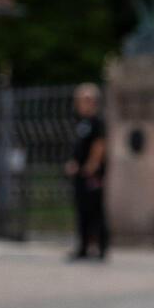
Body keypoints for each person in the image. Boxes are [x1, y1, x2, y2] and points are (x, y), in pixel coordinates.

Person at [64, 82, 109, 260]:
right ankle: (83, 246)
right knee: (82, 211)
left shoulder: (97, 122)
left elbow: (99, 145)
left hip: (91, 175)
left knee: (95, 211)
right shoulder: (81, 122)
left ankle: (100, 247)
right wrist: (73, 163)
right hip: (81, 174)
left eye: (86, 100)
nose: (81, 103)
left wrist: (91, 166)